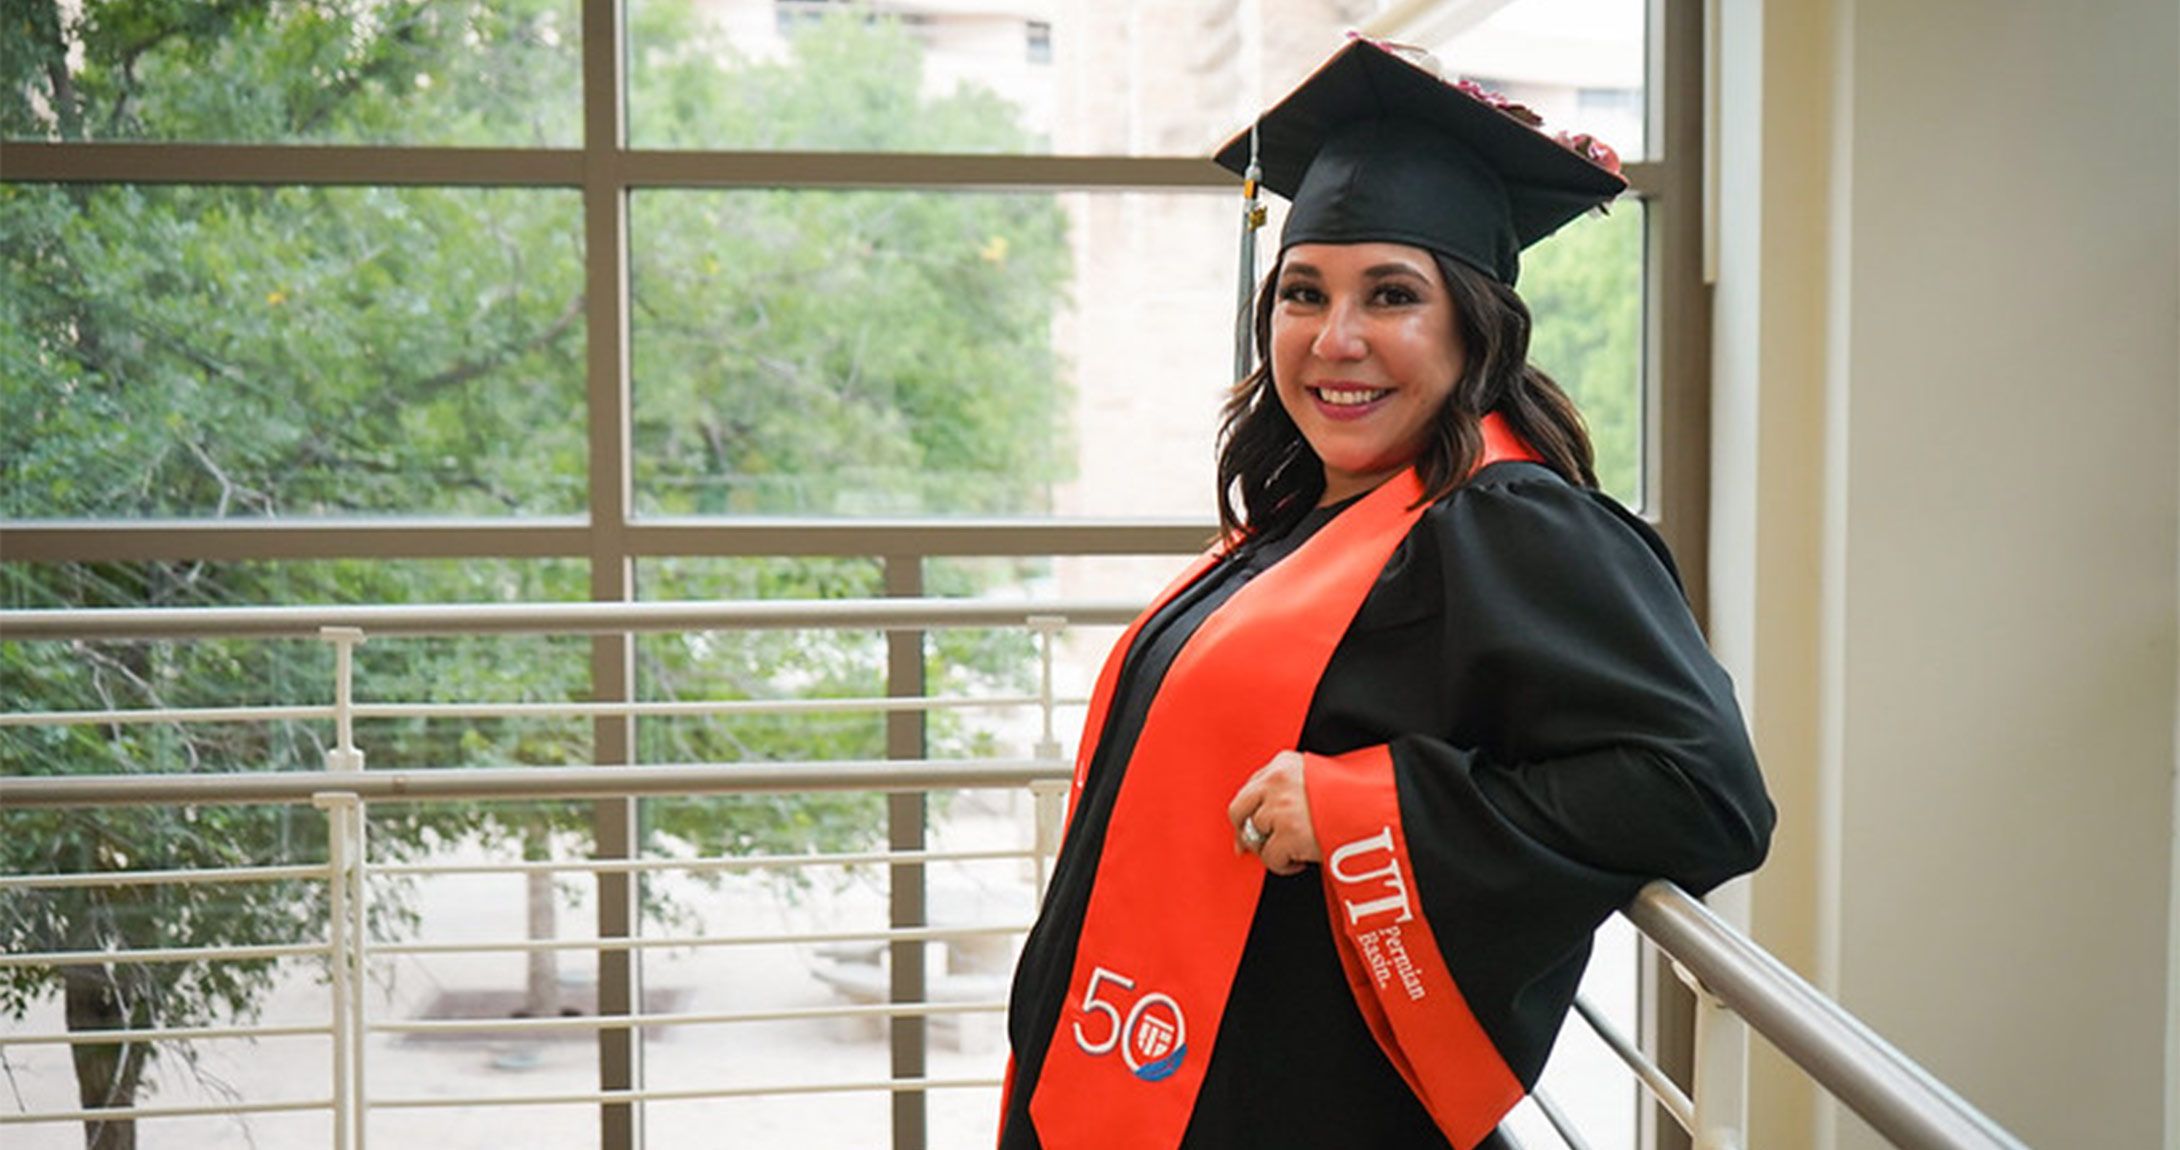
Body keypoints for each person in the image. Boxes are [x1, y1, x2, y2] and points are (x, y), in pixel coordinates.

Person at [998, 37, 1775, 1150]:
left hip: (1300, 1103)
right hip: (1165, 1064)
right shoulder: (1310, 522)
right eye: (1303, 293)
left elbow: (1700, 790)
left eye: (1392, 296)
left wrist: (1366, 804)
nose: (1335, 337)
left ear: (1472, 324)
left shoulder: (1502, 523)